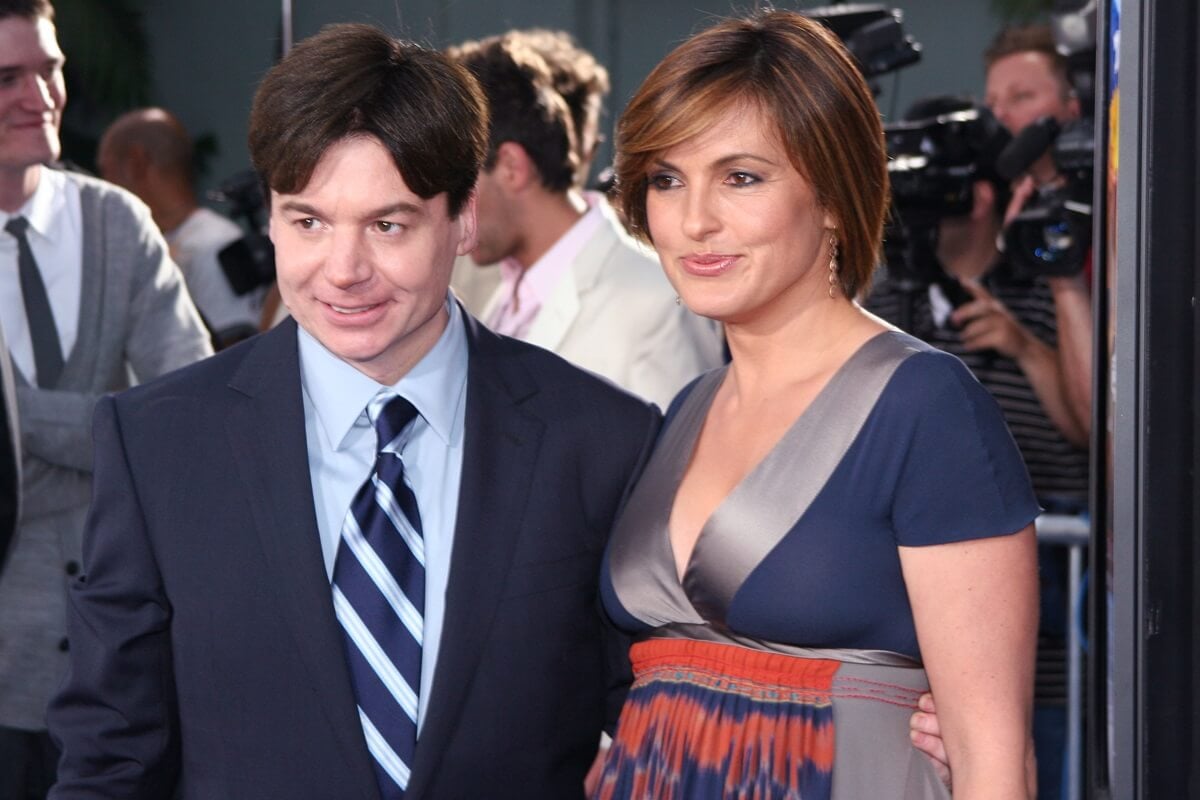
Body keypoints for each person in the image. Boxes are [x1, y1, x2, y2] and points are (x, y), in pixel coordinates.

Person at [45, 23, 662, 799]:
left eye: (388, 225)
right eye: (307, 222)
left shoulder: (601, 439)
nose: (343, 272)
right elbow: (110, 755)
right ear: (269, 216)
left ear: (463, 217)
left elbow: (658, 729)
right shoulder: (159, 444)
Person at [594, 11, 1039, 799]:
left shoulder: (925, 408)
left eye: (741, 177)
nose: (694, 220)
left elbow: (991, 759)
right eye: (667, 179)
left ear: (832, 197)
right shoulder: (687, 409)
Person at [0, 1, 211, 795]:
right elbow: (142, 430)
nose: (41, 94)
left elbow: (185, 426)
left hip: (126, 664)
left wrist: (19, 423)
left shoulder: (118, 224)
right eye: (8, 76)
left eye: (50, 68)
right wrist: (115, 435)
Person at [447, 31, 723, 408]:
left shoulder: (657, 301)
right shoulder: (497, 295)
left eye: (461, 180)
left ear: (511, 167)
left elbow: (678, 459)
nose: (449, 204)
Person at [98, 107, 265, 349]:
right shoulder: (166, 242)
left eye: (106, 171)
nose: (102, 187)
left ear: (136, 163)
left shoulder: (214, 245)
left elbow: (234, 350)